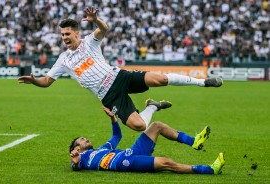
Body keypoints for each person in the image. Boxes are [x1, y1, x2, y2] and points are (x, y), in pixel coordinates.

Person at [18, 7, 223, 131]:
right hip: (108, 97)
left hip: (119, 77)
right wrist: (34, 80)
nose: (64, 38)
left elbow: (104, 29)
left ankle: (203, 82)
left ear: (77, 33)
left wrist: (96, 19)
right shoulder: (63, 59)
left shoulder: (90, 42)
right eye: (62, 35)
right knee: (139, 126)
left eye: (67, 34)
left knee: (160, 79)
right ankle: (152, 106)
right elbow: (46, 81)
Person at [69, 106, 225, 174]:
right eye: (82, 140)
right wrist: (75, 161)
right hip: (126, 163)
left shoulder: (101, 149)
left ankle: (194, 141)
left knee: (156, 125)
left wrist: (113, 118)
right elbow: (74, 166)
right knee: (167, 163)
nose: (86, 139)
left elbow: (117, 136)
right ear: (76, 148)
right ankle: (209, 170)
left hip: (132, 151)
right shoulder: (82, 158)